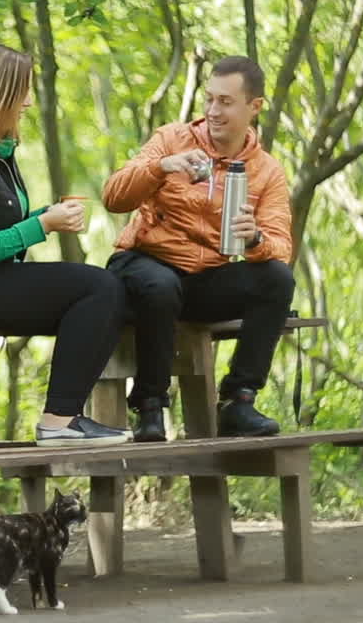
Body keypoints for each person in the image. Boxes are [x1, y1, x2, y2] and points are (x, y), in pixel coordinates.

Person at [0, 42, 130, 447]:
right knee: (97, 286)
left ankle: (68, 417)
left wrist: (45, 217)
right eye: (22, 92)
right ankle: (58, 422)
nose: (29, 102)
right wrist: (42, 226)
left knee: (105, 294)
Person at [102, 55, 295, 441]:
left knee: (276, 278)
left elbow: (281, 247)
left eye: (225, 101)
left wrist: (255, 238)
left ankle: (239, 401)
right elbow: (113, 196)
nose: (212, 111)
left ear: (254, 107)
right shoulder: (171, 139)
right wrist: (161, 167)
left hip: (202, 280)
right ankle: (151, 407)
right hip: (142, 265)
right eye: (209, 99)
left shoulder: (267, 171)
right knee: (160, 285)